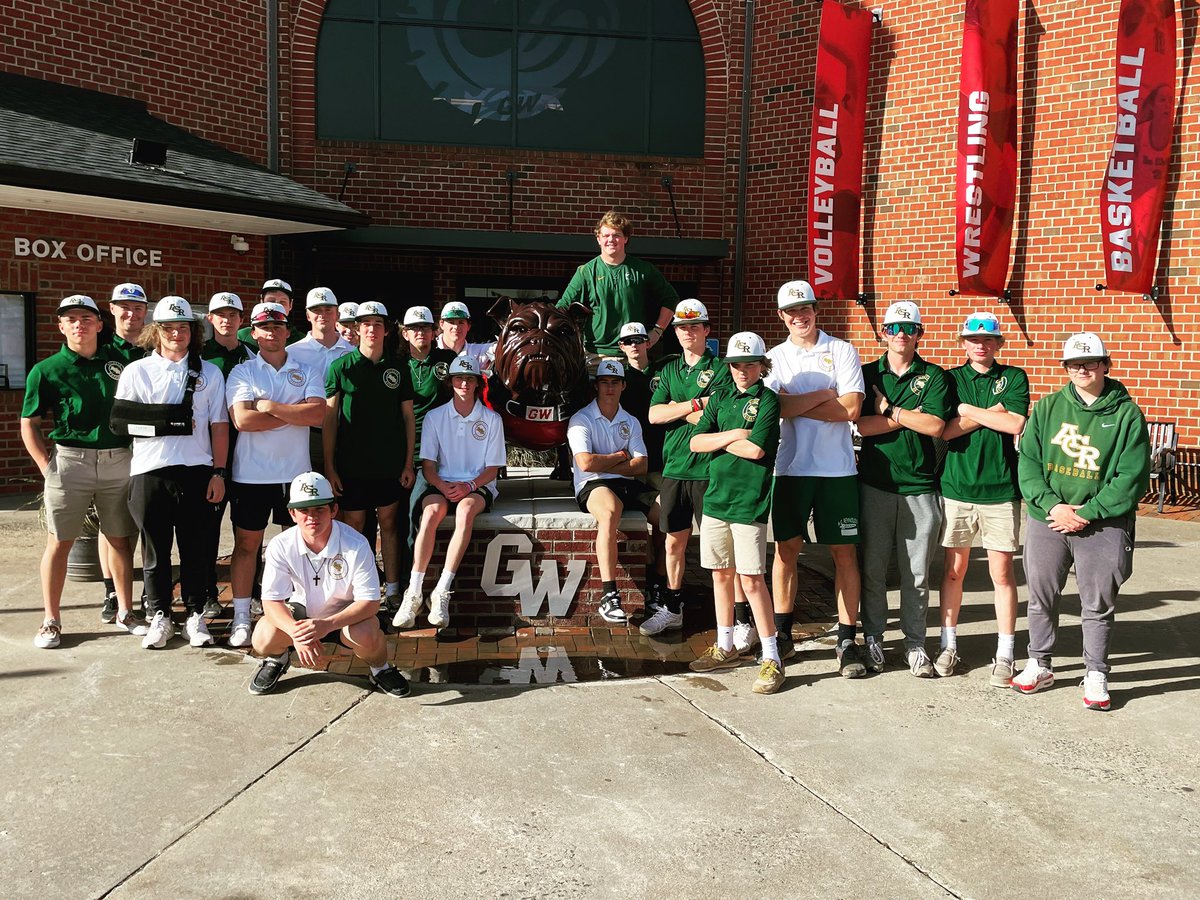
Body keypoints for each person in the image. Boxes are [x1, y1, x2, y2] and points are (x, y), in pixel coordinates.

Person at [1013, 332, 1150, 711]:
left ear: (1105, 364)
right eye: (1074, 364)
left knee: (1098, 601)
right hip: (1049, 519)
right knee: (1041, 596)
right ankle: (1039, 662)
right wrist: (1052, 506)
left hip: (1103, 522)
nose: (1082, 370)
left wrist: (1088, 512)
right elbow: (1029, 462)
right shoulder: (1047, 407)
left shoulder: (1126, 414)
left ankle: (1096, 672)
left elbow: (1131, 477)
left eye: (1090, 362)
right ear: (1066, 368)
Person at [21, 295, 146, 647]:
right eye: (71, 319)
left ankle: (125, 611)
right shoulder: (46, 370)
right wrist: (47, 466)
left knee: (120, 538)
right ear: (61, 326)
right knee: (60, 543)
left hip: (117, 459)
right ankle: (51, 619)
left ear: (99, 324)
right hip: (69, 461)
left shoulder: (120, 362)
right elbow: (28, 423)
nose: (80, 324)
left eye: (87, 318)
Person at [764, 280, 866, 677]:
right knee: (786, 552)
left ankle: (847, 640)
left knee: (844, 553)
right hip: (790, 468)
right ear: (781, 316)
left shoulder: (841, 349)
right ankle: (784, 635)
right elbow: (775, 407)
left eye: (805, 308)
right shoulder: (774, 357)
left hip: (837, 470)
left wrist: (797, 405)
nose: (799, 316)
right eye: (791, 311)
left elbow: (852, 408)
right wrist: (825, 395)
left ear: (815, 309)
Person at [114, 296, 229, 650]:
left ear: (193, 332)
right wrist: (168, 421)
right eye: (168, 328)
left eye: (183, 328)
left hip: (197, 470)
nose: (176, 334)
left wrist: (219, 472)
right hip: (150, 471)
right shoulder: (137, 371)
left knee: (196, 550)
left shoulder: (209, 372)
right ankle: (160, 614)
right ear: (156, 331)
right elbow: (121, 422)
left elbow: (219, 425)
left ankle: (195, 615)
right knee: (155, 551)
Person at [246, 471, 411, 698]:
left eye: (319, 509)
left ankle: (380, 668)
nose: (311, 516)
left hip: (345, 618)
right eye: (304, 510)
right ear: (292, 514)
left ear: (334, 510)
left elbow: (371, 603)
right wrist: (295, 632)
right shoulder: (280, 545)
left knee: (367, 634)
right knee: (263, 637)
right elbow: (271, 601)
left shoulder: (356, 544)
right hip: (302, 616)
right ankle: (277, 659)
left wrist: (326, 625)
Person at [857, 301, 951, 677]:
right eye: (894, 328)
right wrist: (910, 415)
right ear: (883, 332)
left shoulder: (934, 375)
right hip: (876, 484)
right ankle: (875, 638)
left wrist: (890, 411)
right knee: (873, 569)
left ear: (920, 334)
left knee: (916, 574)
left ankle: (915, 643)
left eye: (909, 329)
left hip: (921, 486)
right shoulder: (867, 374)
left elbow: (935, 427)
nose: (901, 335)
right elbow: (861, 426)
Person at [687, 332, 784, 694]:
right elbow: (696, 442)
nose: (742, 370)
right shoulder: (722, 397)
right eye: (736, 365)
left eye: (749, 364)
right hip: (716, 499)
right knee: (720, 575)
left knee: (752, 579)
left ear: (761, 366)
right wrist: (731, 435)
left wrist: (721, 438)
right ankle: (725, 644)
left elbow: (757, 450)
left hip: (749, 502)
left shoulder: (768, 400)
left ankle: (772, 656)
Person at [226, 302, 326, 648]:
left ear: (287, 331)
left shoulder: (306, 369)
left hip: (296, 476)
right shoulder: (243, 372)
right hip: (251, 475)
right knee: (247, 546)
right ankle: (241, 616)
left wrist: (268, 406)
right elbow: (243, 421)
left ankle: (299, 613)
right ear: (253, 333)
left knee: (299, 547)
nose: (272, 333)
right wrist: (294, 413)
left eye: (278, 327)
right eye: (264, 328)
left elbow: (318, 415)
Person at [937, 311, 1029, 685]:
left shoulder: (1014, 376)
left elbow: (1015, 423)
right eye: (974, 339)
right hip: (957, 489)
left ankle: (1005, 653)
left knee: (1002, 573)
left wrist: (967, 410)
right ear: (963, 343)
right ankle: (948, 644)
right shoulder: (949, 379)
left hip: (1001, 491)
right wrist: (992, 411)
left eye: (988, 339)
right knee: (953, 572)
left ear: (998, 344)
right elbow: (944, 432)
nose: (981, 345)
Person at [395, 355, 505, 631]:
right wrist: (443, 486)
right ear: (451, 382)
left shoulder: (492, 419)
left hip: (477, 486)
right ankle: (414, 591)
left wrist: (469, 486)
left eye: (470, 379)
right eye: (459, 379)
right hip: (442, 483)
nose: (464, 384)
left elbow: (493, 469)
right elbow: (429, 466)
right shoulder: (435, 417)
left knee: (466, 511)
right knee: (431, 512)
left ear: (478, 384)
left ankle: (442, 589)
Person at [643, 299, 733, 636]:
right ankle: (673, 607)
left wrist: (676, 408)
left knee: (717, 550)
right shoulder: (668, 370)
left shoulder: (722, 370)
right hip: (675, 468)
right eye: (682, 326)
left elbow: (720, 416)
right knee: (672, 543)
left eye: (695, 326)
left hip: (710, 469)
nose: (687, 332)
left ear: (707, 330)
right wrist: (696, 403)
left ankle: (733, 617)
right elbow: (654, 416)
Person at [324, 301, 416, 610]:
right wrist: (330, 467)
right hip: (351, 464)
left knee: (389, 523)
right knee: (354, 527)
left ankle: (392, 591)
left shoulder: (398, 367)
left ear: (387, 329)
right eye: (366, 323)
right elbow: (329, 421)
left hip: (389, 463)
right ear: (357, 328)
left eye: (377, 323)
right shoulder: (341, 367)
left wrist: (406, 463)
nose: (371, 329)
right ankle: (357, 592)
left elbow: (408, 418)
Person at [567, 358, 655, 623]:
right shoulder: (581, 419)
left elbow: (642, 465)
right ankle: (610, 596)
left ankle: (658, 586)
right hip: (592, 483)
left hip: (623, 480)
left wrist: (605, 461)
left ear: (623, 386)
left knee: (666, 511)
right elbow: (586, 463)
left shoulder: (631, 420)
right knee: (610, 511)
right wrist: (620, 455)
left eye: (614, 382)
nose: (609, 388)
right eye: (604, 382)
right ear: (597, 386)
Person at [558, 210, 679, 363]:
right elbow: (562, 308)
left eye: (616, 235)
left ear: (625, 239)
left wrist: (657, 331)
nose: (611, 240)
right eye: (606, 235)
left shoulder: (643, 269)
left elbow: (671, 298)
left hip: (634, 355)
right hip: (596, 356)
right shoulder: (586, 272)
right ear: (598, 239)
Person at [200, 291, 255, 617]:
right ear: (210, 318)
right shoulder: (200, 356)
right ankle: (208, 593)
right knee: (207, 529)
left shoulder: (251, 356)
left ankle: (249, 593)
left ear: (240, 320)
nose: (226, 319)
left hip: (247, 455)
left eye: (232, 314)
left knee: (247, 531)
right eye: (220, 314)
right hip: (209, 457)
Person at [97, 281, 148, 621]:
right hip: (113, 448)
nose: (131, 314)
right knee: (112, 524)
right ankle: (112, 591)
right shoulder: (100, 350)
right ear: (112, 309)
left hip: (148, 447)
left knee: (146, 524)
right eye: (124, 307)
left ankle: (144, 591)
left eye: (138, 308)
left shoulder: (153, 349)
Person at [615, 322, 669, 610]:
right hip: (631, 462)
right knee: (637, 525)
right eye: (628, 341)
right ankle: (647, 580)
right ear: (621, 347)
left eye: (639, 340)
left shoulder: (665, 373)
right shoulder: (617, 379)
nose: (635, 345)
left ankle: (660, 582)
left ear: (648, 342)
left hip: (661, 459)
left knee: (664, 524)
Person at [399, 304, 456, 574]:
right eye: (414, 328)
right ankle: (395, 580)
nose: (420, 332)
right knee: (396, 518)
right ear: (405, 333)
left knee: (416, 513)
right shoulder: (396, 364)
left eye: (425, 327)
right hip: (401, 449)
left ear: (434, 332)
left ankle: (414, 579)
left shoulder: (448, 359)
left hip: (437, 452)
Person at [287, 287, 355, 473]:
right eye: (316, 310)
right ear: (308, 315)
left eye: (328, 310)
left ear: (337, 313)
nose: (322, 315)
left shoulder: (353, 353)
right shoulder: (291, 353)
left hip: (347, 433)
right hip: (307, 435)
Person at [236, 278, 306, 348]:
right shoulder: (241, 337)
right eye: (271, 301)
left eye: (282, 302)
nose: (276, 306)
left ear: (290, 305)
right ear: (261, 301)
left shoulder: (303, 341)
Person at [435, 301, 494, 374]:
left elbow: (504, 345)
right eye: (451, 322)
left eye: (461, 322)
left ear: (468, 326)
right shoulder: (430, 348)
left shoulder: (478, 352)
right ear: (442, 324)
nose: (456, 327)